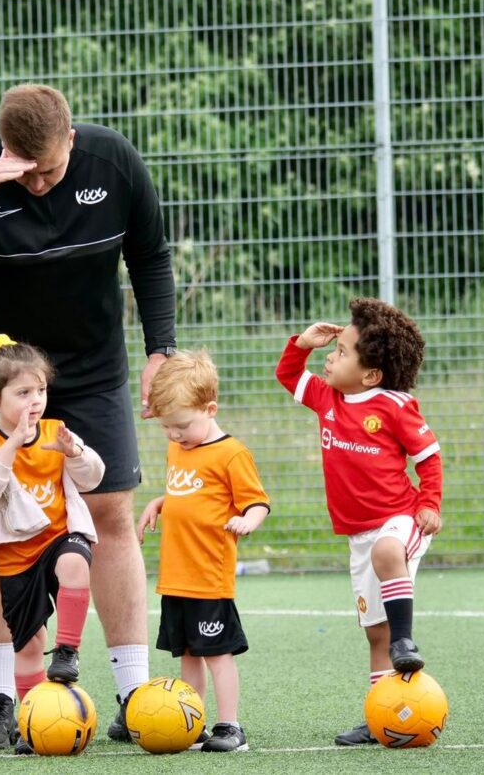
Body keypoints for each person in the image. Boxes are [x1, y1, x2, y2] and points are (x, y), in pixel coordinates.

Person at [0, 83, 176, 745]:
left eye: (50, 168)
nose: (40, 183)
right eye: (27, 168)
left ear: (72, 138)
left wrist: (160, 350)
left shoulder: (113, 161)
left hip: (92, 366)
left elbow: (150, 256)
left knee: (110, 512)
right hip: (1, 372)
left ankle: (132, 693)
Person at [275, 297, 442, 747]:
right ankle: (379, 715)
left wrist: (430, 504)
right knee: (373, 631)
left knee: (389, 558)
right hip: (358, 535)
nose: (332, 355)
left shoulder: (394, 405)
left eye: (342, 351)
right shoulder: (328, 398)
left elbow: (429, 457)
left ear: (370, 374)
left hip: (402, 519)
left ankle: (406, 645)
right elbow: (288, 376)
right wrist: (302, 344)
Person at [0, 335, 105, 754]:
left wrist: (74, 451)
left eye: (40, 390)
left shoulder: (55, 432)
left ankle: (69, 652)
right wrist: (11, 444)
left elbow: (93, 477)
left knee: (76, 563)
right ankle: (32, 721)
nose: (35, 400)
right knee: (27, 646)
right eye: (23, 392)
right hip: (15, 555)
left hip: (59, 536)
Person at [137, 350, 269, 752]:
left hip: (209, 577)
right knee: (188, 656)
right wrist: (160, 503)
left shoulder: (231, 453)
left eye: (181, 426)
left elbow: (257, 502)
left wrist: (249, 520)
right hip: (175, 576)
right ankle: (191, 723)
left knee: (218, 654)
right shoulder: (180, 447)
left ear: (210, 408)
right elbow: (188, 491)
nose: (174, 435)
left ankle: (230, 727)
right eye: (166, 428)